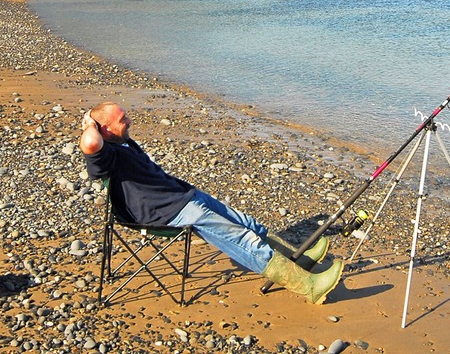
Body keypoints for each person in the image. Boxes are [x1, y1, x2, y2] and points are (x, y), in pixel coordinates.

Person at [79, 101, 343, 304]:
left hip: (180, 196)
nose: (129, 121)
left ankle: (299, 260)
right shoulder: (106, 154)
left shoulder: (121, 141)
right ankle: (308, 287)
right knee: (241, 237)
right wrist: (90, 122)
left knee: (246, 222)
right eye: (122, 120)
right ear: (105, 129)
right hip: (163, 211)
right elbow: (90, 142)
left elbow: (103, 135)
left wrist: (100, 122)